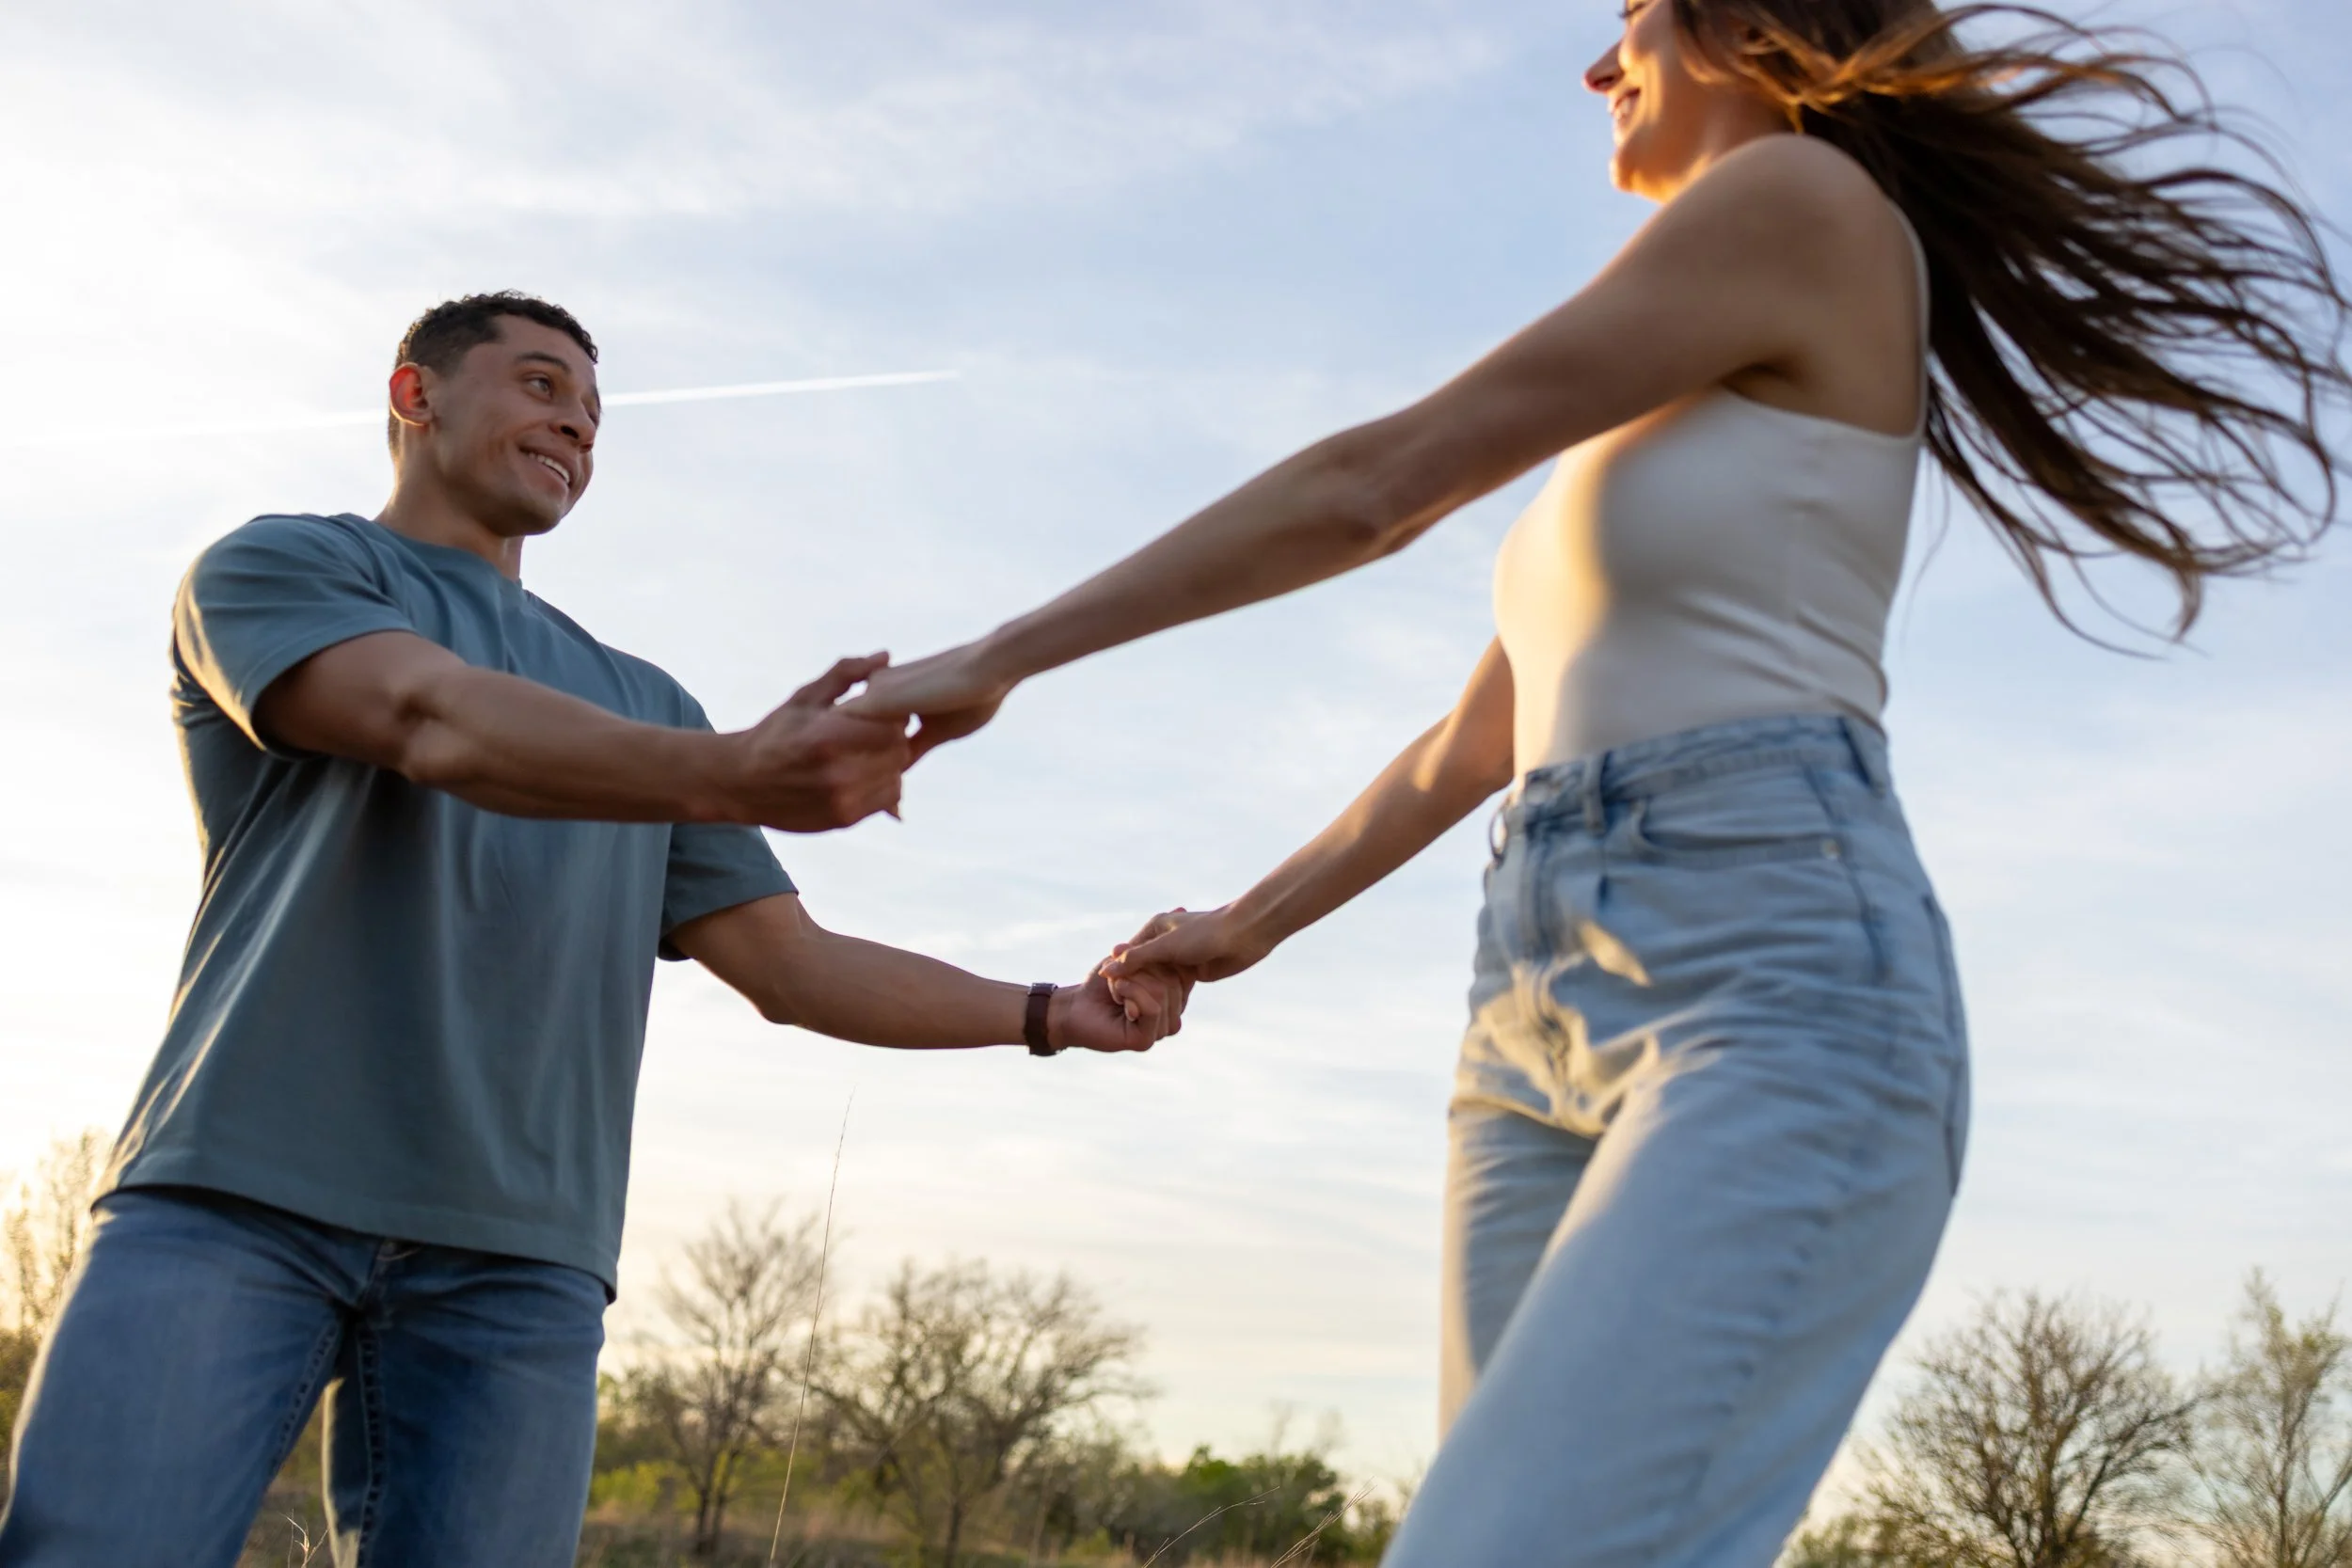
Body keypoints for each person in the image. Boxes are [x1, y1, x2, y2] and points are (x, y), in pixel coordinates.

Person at [850, 2, 2350, 1563]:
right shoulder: (1650, 415)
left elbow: (1378, 488)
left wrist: (1006, 651)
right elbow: (1476, 739)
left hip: (1763, 976)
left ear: (1753, 24)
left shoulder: (1797, 201)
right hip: (1526, 1015)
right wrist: (1244, 925)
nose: (1594, 64)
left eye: (1633, 16)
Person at [0, 293, 1183, 1568]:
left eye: (597, 413)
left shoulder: (645, 706)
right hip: (235, 1192)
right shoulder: (283, 566)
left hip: (519, 1262)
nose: (577, 424)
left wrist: (1051, 1011)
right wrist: (730, 766)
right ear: (416, 396)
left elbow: (793, 967)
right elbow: (425, 718)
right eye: (542, 384)